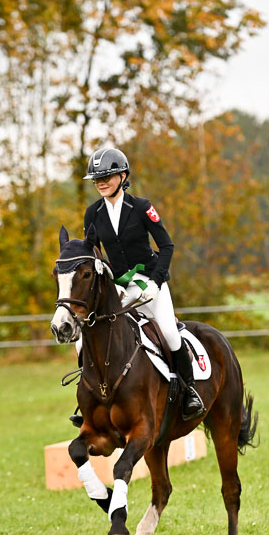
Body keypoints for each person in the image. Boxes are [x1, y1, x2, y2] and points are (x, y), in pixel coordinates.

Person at [70, 146, 205, 427]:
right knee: (88, 336)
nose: (101, 183)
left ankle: (189, 391)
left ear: (122, 176)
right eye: (96, 179)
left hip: (149, 282)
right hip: (120, 286)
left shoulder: (142, 207)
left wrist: (156, 282)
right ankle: (87, 398)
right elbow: (92, 253)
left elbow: (166, 246)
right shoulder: (92, 213)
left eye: (106, 177)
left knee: (168, 331)